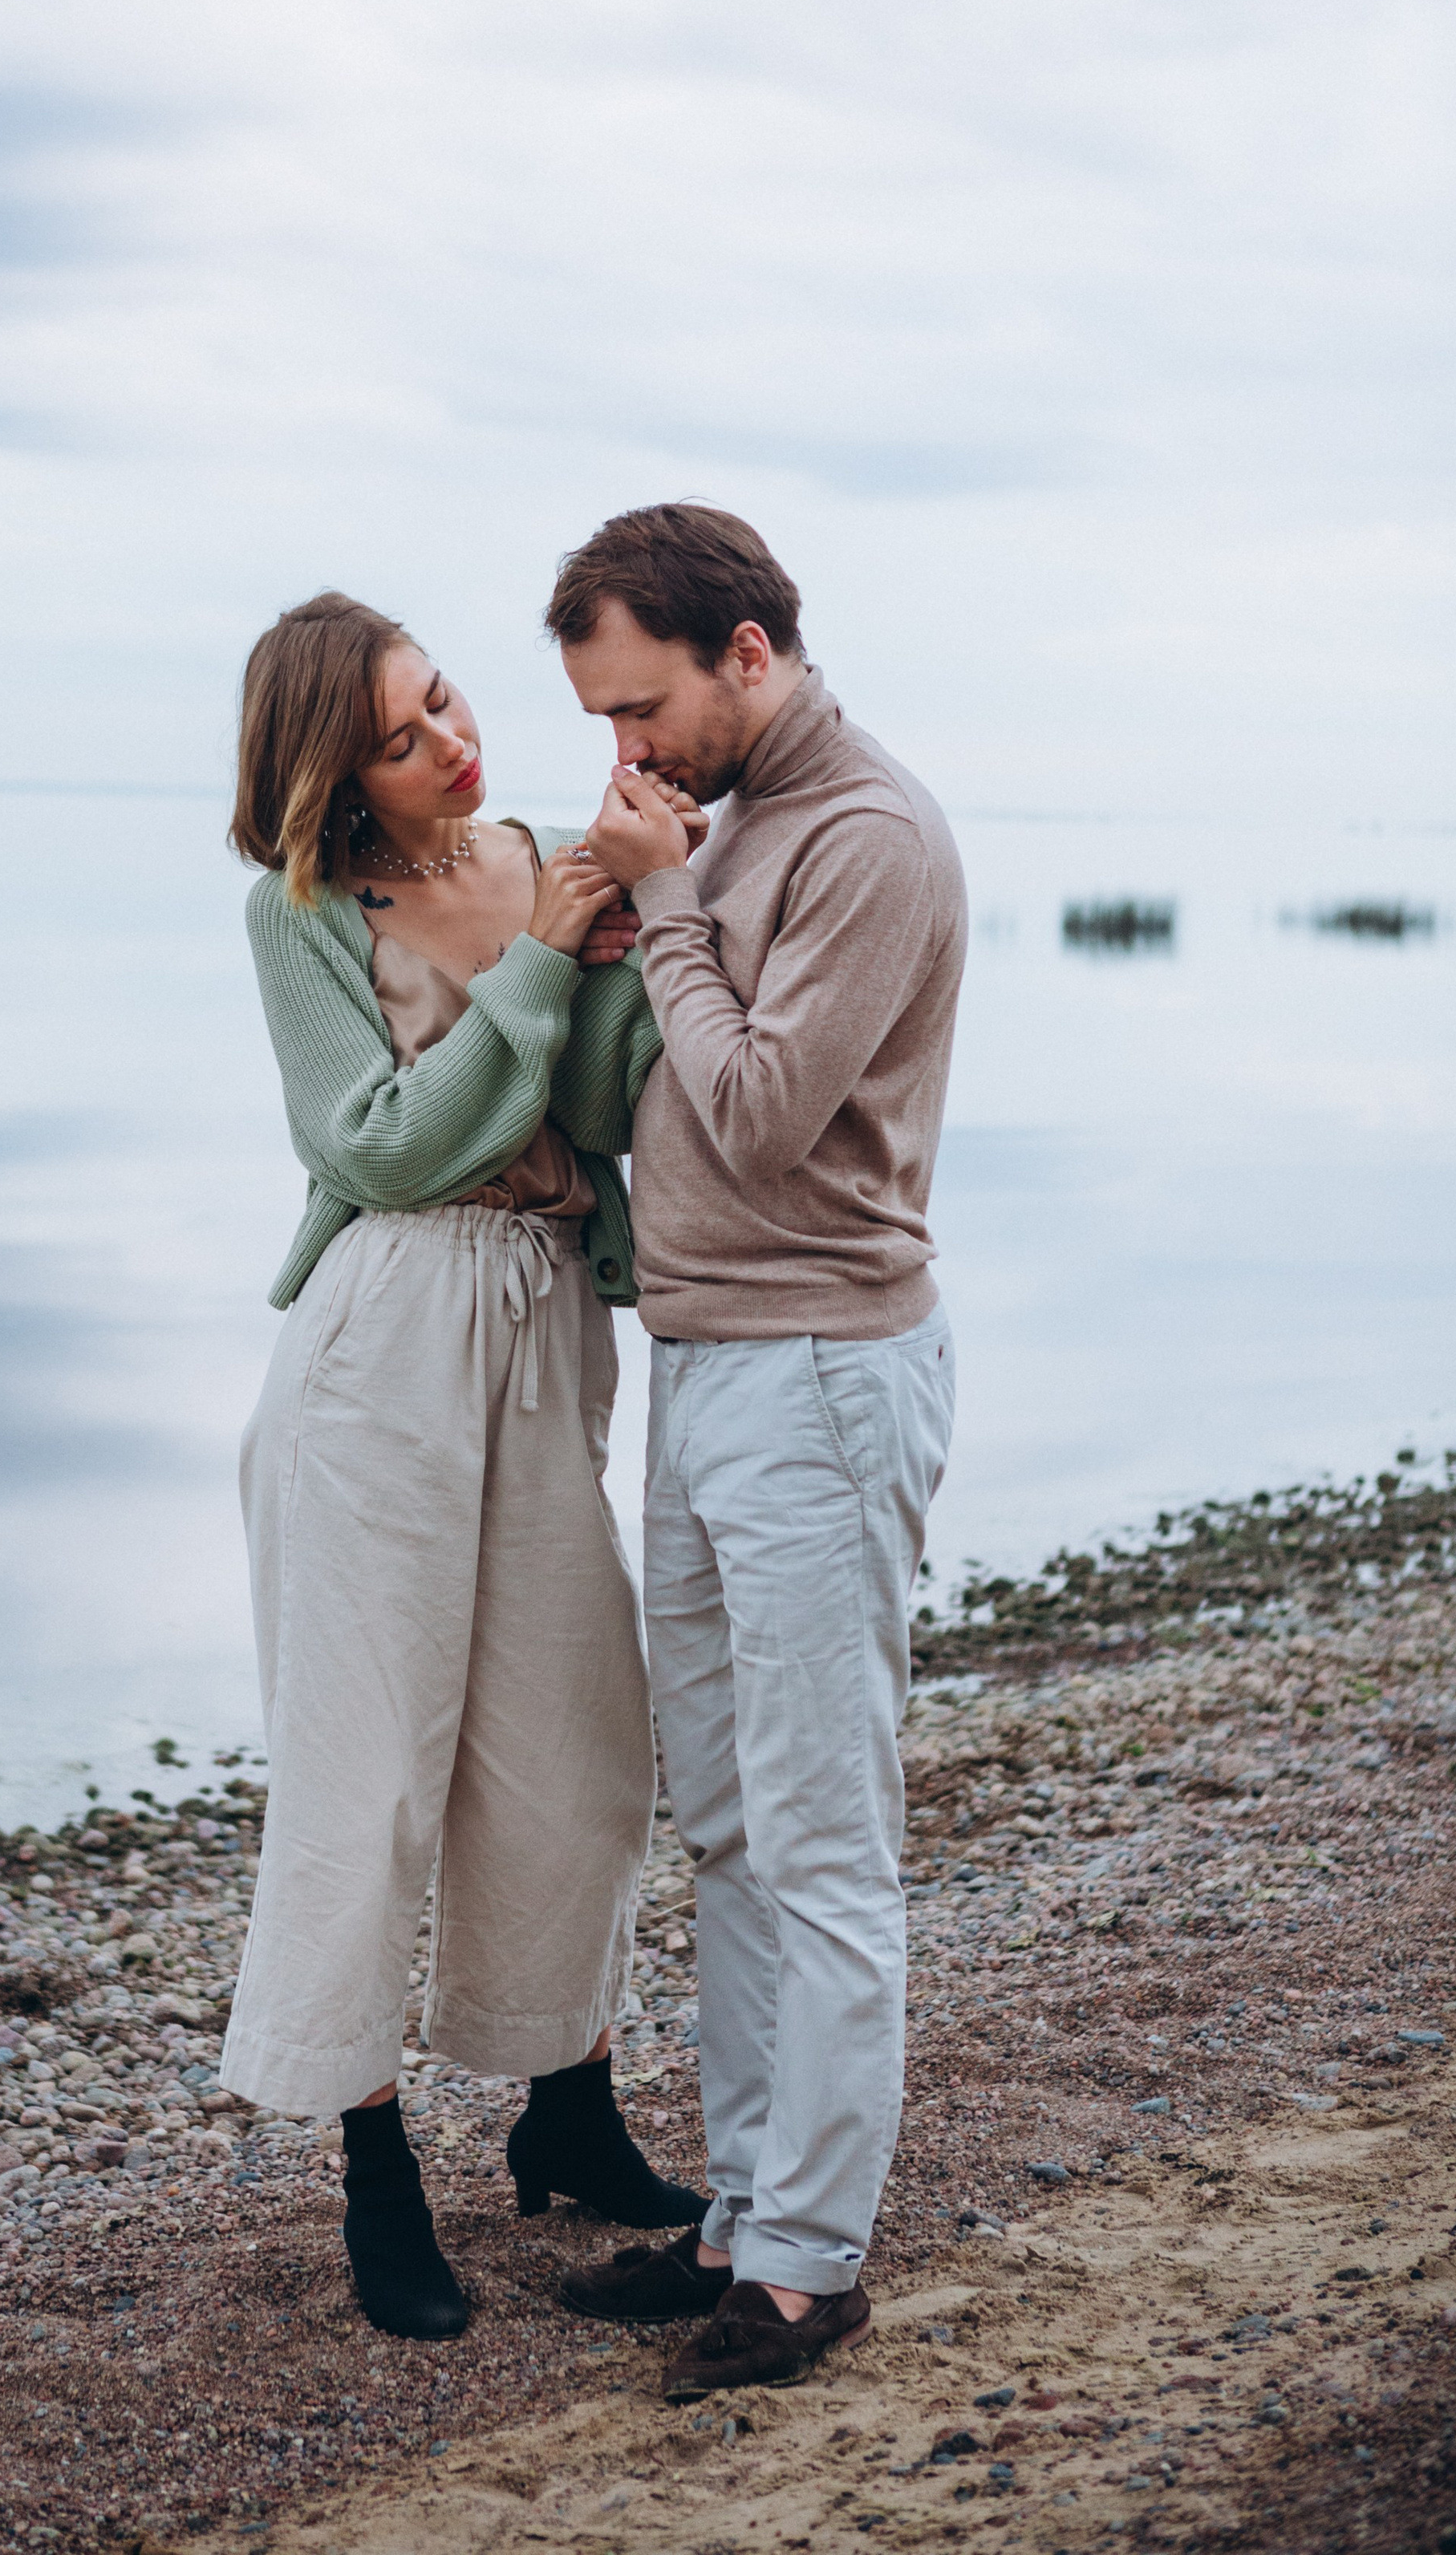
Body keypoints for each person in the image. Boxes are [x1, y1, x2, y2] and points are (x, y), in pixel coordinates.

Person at [220, 590, 707, 2341]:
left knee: (574, 1740)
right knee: (366, 1770)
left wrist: (627, 921)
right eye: (402, 733)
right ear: (328, 773)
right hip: (382, 1344)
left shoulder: (540, 857)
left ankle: (564, 2106)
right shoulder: (304, 917)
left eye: (445, 701)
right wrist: (536, 969)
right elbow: (383, 1148)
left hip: (543, 1329)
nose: (452, 742)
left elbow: (585, 1116)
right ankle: (372, 2167)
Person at [542, 504, 964, 2399]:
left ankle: (806, 2266)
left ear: (748, 648)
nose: (623, 754)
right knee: (718, 1820)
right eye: (598, 720)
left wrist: (679, 910)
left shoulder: (863, 834)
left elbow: (764, 1112)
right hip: (703, 1364)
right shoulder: (724, 834)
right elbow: (656, 1100)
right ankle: (738, 2210)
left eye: (641, 708)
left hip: (817, 1371)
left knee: (818, 1834)